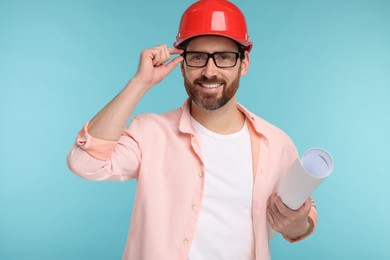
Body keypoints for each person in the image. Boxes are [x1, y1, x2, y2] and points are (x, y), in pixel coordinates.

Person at [67, 0, 317, 259]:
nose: (209, 71)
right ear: (183, 64)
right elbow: (84, 163)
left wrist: (298, 223)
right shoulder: (150, 133)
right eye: (197, 57)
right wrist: (139, 83)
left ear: (243, 64)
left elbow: (304, 217)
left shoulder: (276, 143)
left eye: (224, 57)